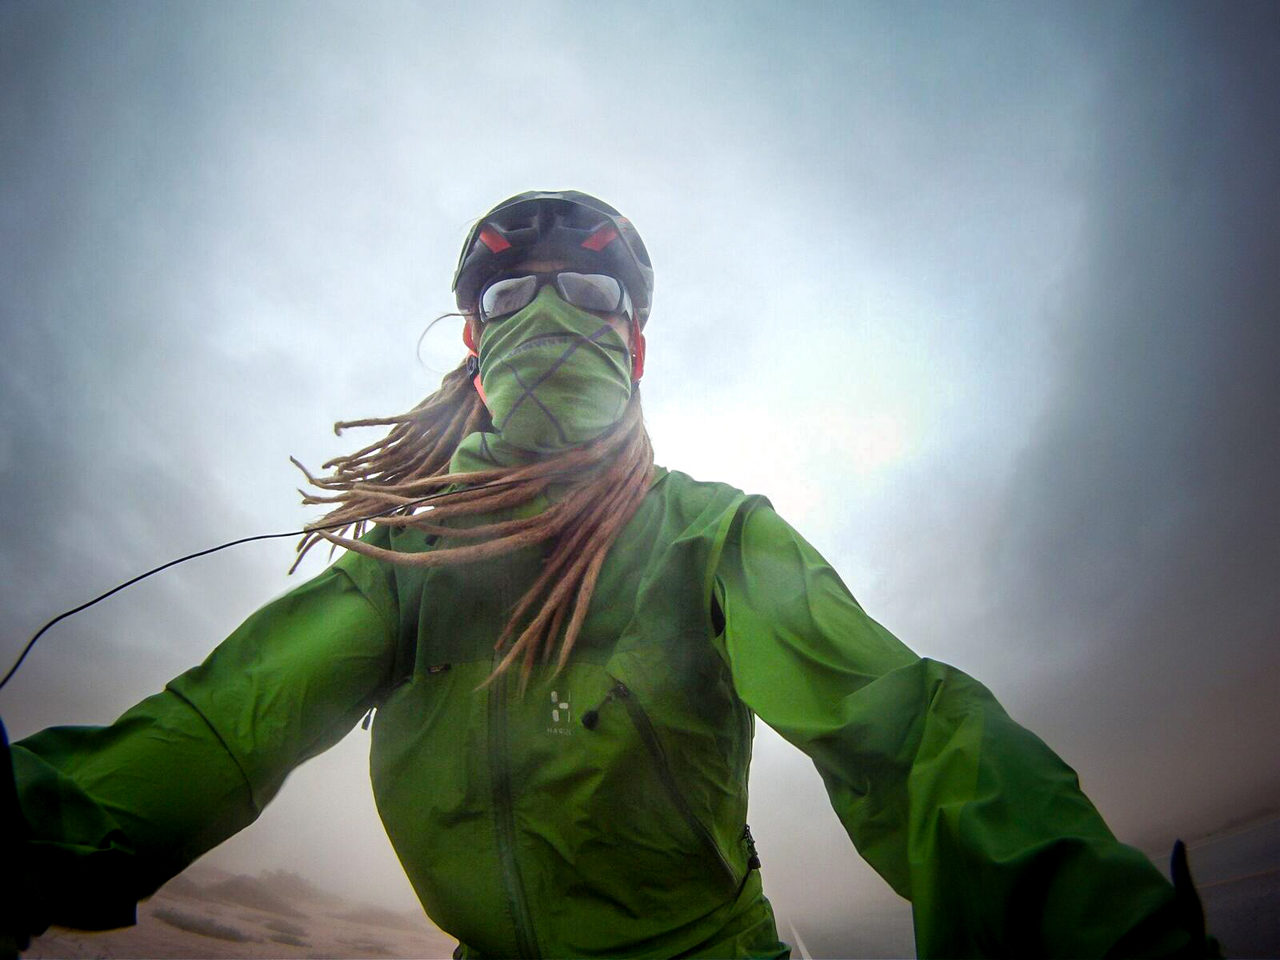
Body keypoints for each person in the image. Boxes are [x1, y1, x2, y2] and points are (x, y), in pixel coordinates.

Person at [1, 191, 1216, 958]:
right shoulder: (405, 571)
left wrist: (1088, 931)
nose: (547, 313)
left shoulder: (711, 538)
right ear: (474, 348)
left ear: (632, 343)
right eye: (511, 295)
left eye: (584, 293)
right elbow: (225, 727)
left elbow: (905, 735)